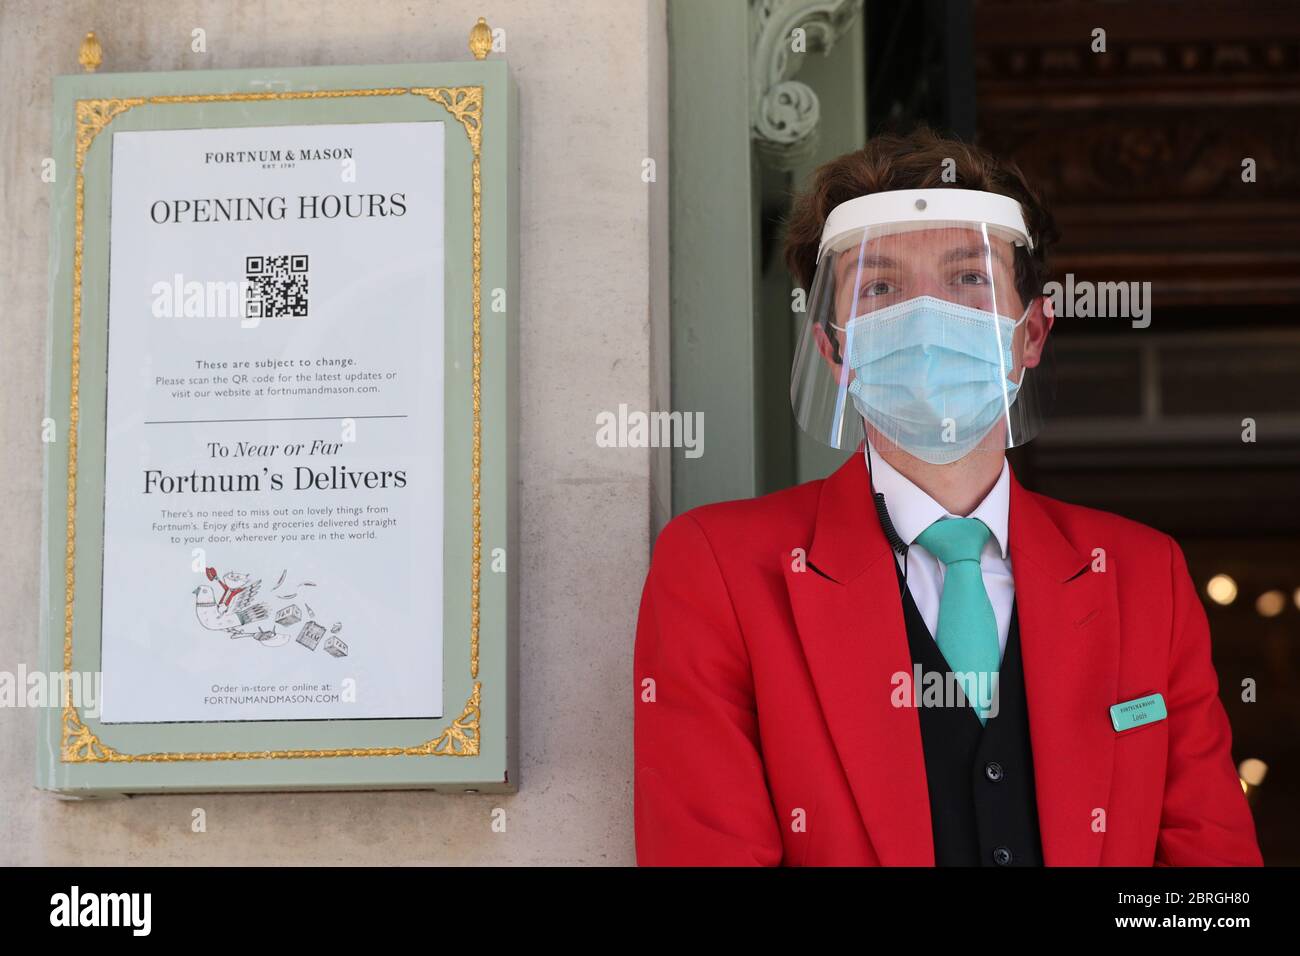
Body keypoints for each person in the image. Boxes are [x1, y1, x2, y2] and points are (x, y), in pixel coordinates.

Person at [633, 127, 1263, 866]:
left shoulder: (1144, 574)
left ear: (1032, 333)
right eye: (881, 286)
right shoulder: (720, 569)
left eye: (968, 278)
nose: (928, 319)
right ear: (835, 351)